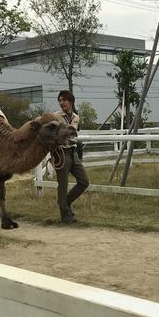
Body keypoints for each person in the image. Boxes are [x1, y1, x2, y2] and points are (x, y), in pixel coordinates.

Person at [54, 90, 89, 224]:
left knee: (84, 181)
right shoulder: (55, 116)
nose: (61, 102)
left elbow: (74, 134)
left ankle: (64, 202)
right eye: (60, 100)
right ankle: (65, 214)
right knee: (63, 184)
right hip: (61, 153)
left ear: (71, 101)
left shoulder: (76, 117)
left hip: (73, 152)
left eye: (64, 100)